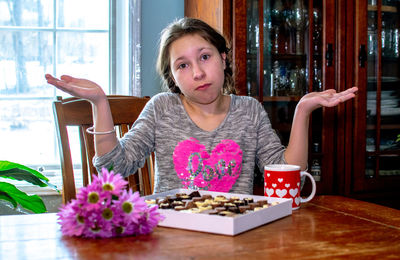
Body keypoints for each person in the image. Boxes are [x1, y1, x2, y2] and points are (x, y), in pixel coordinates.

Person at [45, 17, 357, 195]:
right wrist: (100, 103)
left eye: (205, 57)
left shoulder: (249, 111)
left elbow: (290, 172)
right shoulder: (161, 109)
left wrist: (302, 110)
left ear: (223, 58)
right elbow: (115, 166)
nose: (197, 72)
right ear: (174, 78)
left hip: (238, 239)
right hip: (170, 238)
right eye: (183, 65)